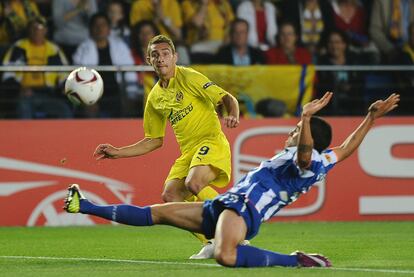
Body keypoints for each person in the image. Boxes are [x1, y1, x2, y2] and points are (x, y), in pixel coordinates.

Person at [65, 92, 400, 268]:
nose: (293, 132)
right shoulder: (325, 158)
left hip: (243, 210)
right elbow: (346, 148)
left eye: (296, 131)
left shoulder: (309, 162)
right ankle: (85, 205)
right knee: (158, 212)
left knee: (226, 256)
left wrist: (306, 117)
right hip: (223, 206)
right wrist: (370, 117)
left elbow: (303, 153)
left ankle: (295, 260)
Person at [92, 35, 240, 259]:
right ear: (149, 60)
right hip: (189, 152)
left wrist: (233, 114)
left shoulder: (189, 77)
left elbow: (226, 98)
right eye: (155, 55)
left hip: (211, 141)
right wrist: (118, 152)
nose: (161, 59)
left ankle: (235, 221)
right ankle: (212, 239)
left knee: (194, 182)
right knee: (170, 195)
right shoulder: (154, 98)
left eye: (165, 54)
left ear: (174, 57)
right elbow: (153, 140)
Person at [1, 16, 71, 119]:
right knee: (23, 106)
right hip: (25, 94)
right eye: (32, 27)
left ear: (45, 30)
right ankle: (24, 135)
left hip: (49, 94)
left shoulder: (54, 50)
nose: (36, 30)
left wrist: (64, 86)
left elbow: (65, 75)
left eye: (39, 27)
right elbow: (6, 74)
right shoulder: (19, 47)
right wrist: (20, 88)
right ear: (28, 29)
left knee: (64, 110)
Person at [72, 12, 138, 118]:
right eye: (96, 25)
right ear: (90, 29)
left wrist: (131, 95)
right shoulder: (83, 49)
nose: (100, 28)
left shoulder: (120, 46)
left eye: (103, 25)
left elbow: (130, 70)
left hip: (117, 92)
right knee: (88, 111)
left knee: (129, 107)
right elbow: (77, 77)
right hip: (93, 94)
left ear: (108, 29)